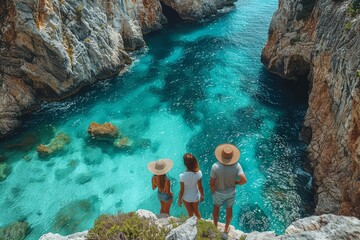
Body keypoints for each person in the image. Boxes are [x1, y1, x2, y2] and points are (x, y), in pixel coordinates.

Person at [210, 143, 247, 233]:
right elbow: (244, 180)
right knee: (229, 209)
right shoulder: (237, 165)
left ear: (221, 155)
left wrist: (213, 191)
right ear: (232, 156)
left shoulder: (215, 166)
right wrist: (237, 182)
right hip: (231, 192)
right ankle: (226, 228)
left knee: (216, 208)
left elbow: (211, 182)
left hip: (218, 192)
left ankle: (215, 226)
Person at [178, 153, 204, 219]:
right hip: (195, 196)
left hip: (186, 198)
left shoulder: (182, 176)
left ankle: (191, 225)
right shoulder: (199, 173)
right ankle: (200, 223)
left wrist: (179, 199)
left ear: (185, 164)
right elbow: (200, 187)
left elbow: (182, 190)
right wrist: (202, 195)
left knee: (190, 212)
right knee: (196, 211)